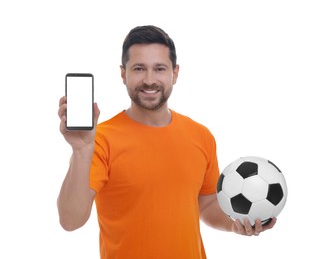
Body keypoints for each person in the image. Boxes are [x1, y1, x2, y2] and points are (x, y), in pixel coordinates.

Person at [57, 25, 276, 259]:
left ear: (175, 73)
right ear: (124, 74)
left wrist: (234, 224)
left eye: (159, 68)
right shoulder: (101, 140)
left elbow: (206, 204)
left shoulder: (200, 135)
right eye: (139, 68)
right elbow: (70, 221)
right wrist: (81, 151)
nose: (149, 80)